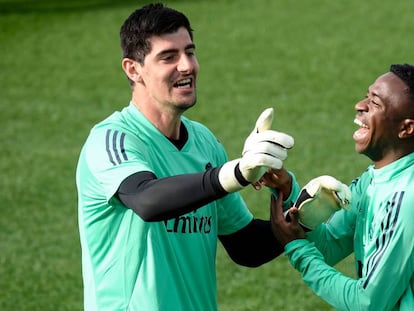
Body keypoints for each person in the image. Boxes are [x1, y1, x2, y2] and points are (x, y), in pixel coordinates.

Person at [76, 3, 294, 310]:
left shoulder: (204, 143)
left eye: (189, 52)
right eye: (169, 57)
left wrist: (305, 215)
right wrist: (236, 174)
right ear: (133, 69)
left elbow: (246, 246)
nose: (187, 66)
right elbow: (148, 201)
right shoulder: (111, 140)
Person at [266, 64, 414, 310]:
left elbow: (369, 302)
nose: (360, 105)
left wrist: (299, 250)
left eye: (375, 103)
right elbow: (329, 246)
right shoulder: (374, 179)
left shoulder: (405, 197)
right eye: (367, 96)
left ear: (406, 128)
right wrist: (288, 191)